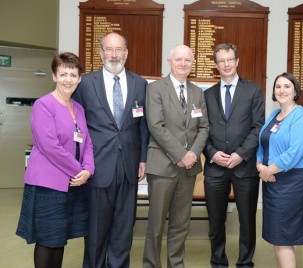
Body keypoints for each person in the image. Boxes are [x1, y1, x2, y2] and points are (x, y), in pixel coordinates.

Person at [73, 32, 149, 268]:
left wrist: (143, 159)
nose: (114, 55)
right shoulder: (85, 83)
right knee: (96, 229)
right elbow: (75, 124)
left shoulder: (140, 83)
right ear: (101, 53)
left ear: (126, 53)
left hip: (128, 167)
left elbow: (143, 125)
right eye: (109, 49)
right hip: (96, 167)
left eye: (119, 50)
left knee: (124, 228)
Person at [16, 52, 94, 268]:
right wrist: (78, 170)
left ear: (79, 78)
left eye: (73, 74)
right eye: (63, 74)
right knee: (46, 240)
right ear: (54, 76)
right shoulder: (44, 105)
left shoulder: (78, 108)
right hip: (47, 185)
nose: (68, 79)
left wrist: (88, 169)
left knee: (60, 239)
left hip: (71, 184)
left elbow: (87, 142)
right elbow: (50, 146)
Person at [142, 44, 209, 268]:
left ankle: (176, 264)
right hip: (162, 166)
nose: (183, 64)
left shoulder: (198, 93)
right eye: (178, 59)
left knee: (181, 223)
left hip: (189, 169)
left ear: (192, 63)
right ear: (169, 62)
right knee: (156, 224)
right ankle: (151, 264)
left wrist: (192, 155)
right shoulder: (155, 89)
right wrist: (181, 154)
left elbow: (204, 128)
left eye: (187, 60)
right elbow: (156, 125)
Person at [203, 43, 265, 268]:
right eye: (221, 61)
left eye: (230, 59)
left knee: (247, 221)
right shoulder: (207, 95)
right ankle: (218, 262)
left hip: (244, 167)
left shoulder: (253, 91)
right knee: (215, 222)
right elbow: (201, 129)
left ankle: (245, 262)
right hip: (215, 168)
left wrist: (241, 154)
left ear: (237, 61)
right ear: (216, 65)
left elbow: (258, 126)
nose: (226, 64)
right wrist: (211, 153)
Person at [256, 72, 303, 268]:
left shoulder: (301, 116)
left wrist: (267, 170)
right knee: (277, 236)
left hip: (292, 182)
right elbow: (262, 143)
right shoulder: (274, 115)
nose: (282, 90)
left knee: (284, 237)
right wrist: (260, 166)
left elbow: (293, 153)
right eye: (278, 86)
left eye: (287, 86)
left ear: (295, 90)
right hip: (272, 180)